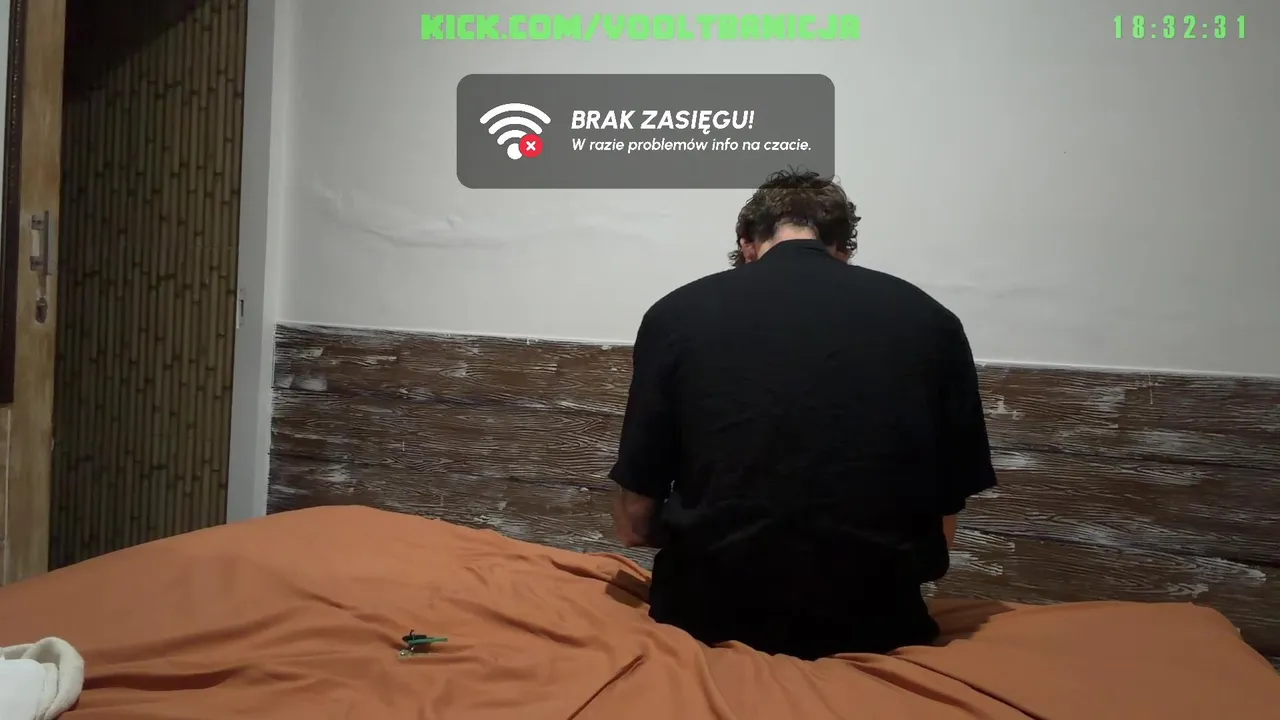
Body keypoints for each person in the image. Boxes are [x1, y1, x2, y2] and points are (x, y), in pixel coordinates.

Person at [607, 169, 997, 660]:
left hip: (704, 617)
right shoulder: (933, 321)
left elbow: (634, 522)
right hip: (879, 624)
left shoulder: (673, 314)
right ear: (844, 248)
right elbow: (945, 523)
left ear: (747, 244)